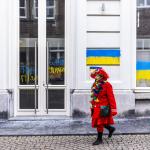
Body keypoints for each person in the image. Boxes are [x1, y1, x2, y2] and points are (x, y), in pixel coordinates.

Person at [90, 67, 117, 145]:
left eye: (97, 75)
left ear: (102, 77)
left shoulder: (107, 85)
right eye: (96, 75)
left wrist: (113, 109)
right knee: (99, 122)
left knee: (100, 122)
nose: (95, 77)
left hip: (103, 107)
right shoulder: (96, 83)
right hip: (96, 105)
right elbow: (94, 94)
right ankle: (111, 129)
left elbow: (111, 97)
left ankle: (99, 139)